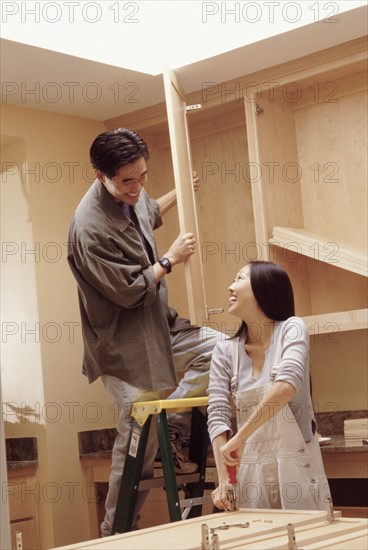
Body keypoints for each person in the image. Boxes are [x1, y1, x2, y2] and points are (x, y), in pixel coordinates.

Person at [67, 128, 222, 536]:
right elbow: (131, 291)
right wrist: (170, 260)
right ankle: (115, 534)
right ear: (100, 175)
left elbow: (148, 209)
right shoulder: (90, 228)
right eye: (127, 181)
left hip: (161, 328)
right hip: (124, 347)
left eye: (143, 176)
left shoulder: (130, 196)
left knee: (224, 350)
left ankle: (169, 418)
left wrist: (179, 192)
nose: (137, 188)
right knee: (139, 443)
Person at [207, 261, 331, 511]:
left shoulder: (292, 328)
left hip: (299, 469)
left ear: (264, 288)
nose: (231, 287)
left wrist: (240, 438)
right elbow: (217, 415)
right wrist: (224, 481)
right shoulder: (224, 351)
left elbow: (286, 385)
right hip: (251, 474)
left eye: (239, 278)